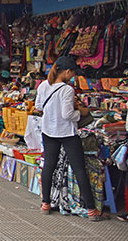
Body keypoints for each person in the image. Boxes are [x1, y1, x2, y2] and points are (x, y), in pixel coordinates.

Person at [38, 56, 105, 221]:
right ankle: (91, 210)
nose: (73, 76)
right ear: (67, 72)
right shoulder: (67, 90)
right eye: (73, 73)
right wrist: (80, 113)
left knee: (49, 166)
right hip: (66, 133)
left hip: (48, 131)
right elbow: (67, 114)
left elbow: (39, 106)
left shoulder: (44, 85)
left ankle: (45, 203)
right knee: (79, 169)